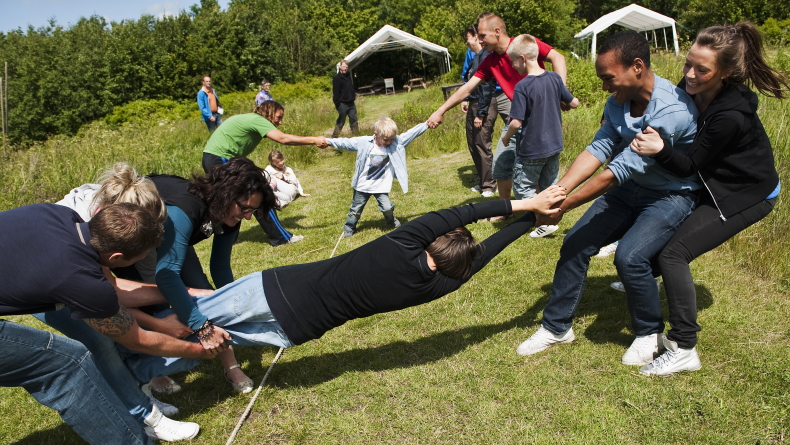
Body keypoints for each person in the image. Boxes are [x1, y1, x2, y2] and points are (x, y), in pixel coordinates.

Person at [114, 187, 567, 383]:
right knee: (207, 347)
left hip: (275, 288)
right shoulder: (443, 286)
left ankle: (125, 337)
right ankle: (141, 372)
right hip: (295, 330)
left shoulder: (403, 242)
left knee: (192, 320)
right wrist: (529, 224)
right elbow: (484, 255)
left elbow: (465, 211)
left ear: (432, 237)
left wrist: (530, 205)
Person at [515, 30, 700, 367]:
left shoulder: (671, 109)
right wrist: (558, 191)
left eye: (609, 78)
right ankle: (557, 328)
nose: (604, 87)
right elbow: (599, 147)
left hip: (669, 196)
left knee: (630, 258)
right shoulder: (618, 101)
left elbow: (617, 171)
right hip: (629, 190)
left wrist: (564, 206)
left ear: (637, 67)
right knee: (575, 244)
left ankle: (648, 333)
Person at [629, 22, 786, 376]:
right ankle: (639, 273)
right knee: (671, 234)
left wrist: (659, 149)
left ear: (725, 73)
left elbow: (689, 165)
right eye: (688, 63)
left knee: (675, 253)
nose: (690, 74)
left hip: (748, 193)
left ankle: (684, 346)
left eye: (702, 69)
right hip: (719, 182)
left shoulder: (728, 114)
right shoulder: (699, 90)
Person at [1, 203, 216, 443]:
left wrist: (186, 292)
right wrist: (200, 350)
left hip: (40, 278)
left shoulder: (62, 215)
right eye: (142, 256)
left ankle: (136, 403)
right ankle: (146, 420)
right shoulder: (79, 279)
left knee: (97, 339)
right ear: (116, 257)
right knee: (68, 362)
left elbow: (116, 289)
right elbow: (138, 340)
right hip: (56, 278)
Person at [149, 158, 276, 393]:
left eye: (252, 210)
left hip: (175, 236)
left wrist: (238, 305)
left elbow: (220, 268)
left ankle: (231, 366)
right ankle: (152, 371)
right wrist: (201, 327)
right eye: (245, 208)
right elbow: (166, 276)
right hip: (141, 237)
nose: (248, 217)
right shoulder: (185, 209)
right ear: (226, 194)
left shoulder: (232, 211)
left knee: (202, 288)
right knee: (155, 302)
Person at [427, 14, 567, 218]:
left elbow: (558, 57)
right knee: (501, 162)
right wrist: (440, 111)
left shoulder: (523, 44)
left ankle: (544, 211)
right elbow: (467, 89)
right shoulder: (490, 61)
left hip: (540, 120)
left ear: (497, 32)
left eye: (482, 35)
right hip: (518, 119)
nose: (479, 40)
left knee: (538, 168)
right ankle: (506, 210)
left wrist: (559, 91)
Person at [202, 100, 327, 246]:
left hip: (214, 158)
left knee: (231, 198)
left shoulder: (251, 119)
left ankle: (225, 234)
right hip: (221, 158)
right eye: (278, 117)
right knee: (257, 193)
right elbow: (283, 139)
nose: (280, 122)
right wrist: (314, 140)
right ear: (269, 112)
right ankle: (281, 238)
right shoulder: (258, 120)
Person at [502, 34, 579, 238]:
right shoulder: (554, 78)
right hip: (554, 146)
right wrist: (567, 100)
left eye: (513, 61)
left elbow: (516, 122)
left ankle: (539, 220)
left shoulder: (522, 86)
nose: (512, 66)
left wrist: (506, 137)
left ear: (522, 58)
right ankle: (549, 220)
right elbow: (573, 103)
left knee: (523, 188)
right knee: (549, 187)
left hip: (531, 150)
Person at [327, 117, 428, 238]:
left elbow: (412, 133)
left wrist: (427, 124)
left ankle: (391, 221)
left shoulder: (396, 142)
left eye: (392, 139)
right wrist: (328, 141)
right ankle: (349, 227)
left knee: (387, 208)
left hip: (381, 187)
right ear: (376, 134)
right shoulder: (364, 142)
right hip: (362, 186)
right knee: (355, 210)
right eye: (386, 139)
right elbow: (345, 142)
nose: (389, 142)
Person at [460, 24, 497, 198]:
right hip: (474, 102)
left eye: (468, 37)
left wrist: (481, 114)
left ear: (475, 36)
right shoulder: (475, 57)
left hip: (484, 104)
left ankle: (490, 185)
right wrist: (466, 99)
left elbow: (488, 87)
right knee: (473, 144)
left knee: (482, 144)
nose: (466, 41)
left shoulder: (486, 57)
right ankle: (482, 182)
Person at [332, 59, 358, 138]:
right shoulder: (337, 78)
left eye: (346, 67)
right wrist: (338, 103)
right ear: (340, 67)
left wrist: (353, 96)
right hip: (342, 103)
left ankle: (356, 136)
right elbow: (335, 92)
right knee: (341, 121)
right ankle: (334, 137)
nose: (345, 68)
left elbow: (350, 88)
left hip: (351, 103)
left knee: (354, 119)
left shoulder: (348, 77)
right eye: (344, 66)